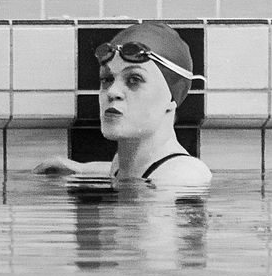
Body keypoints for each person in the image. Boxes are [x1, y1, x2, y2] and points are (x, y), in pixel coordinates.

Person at [35, 21, 212, 193]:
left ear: (171, 99)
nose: (112, 92)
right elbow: (125, 174)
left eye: (134, 80)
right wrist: (80, 169)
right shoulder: (127, 166)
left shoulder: (179, 179)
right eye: (107, 79)